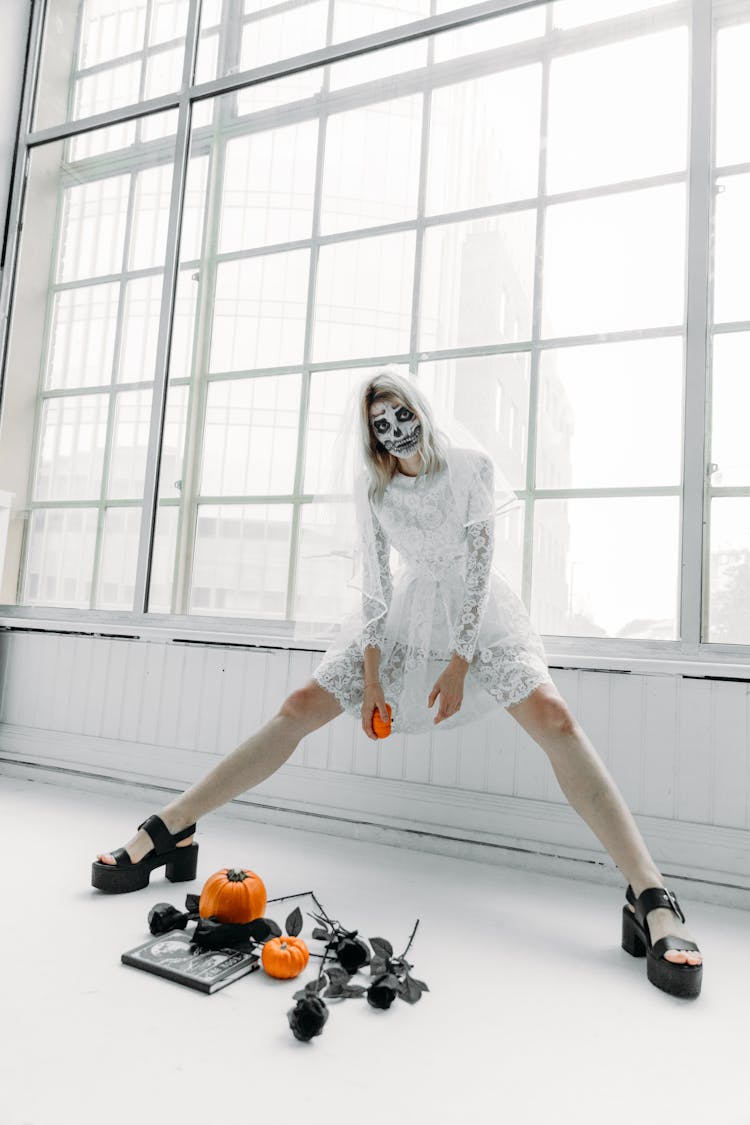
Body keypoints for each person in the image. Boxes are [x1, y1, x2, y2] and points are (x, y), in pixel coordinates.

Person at [92, 368, 703, 998]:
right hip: (405, 618)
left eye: (401, 415)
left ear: (421, 410)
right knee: (300, 704)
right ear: (373, 438)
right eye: (380, 425)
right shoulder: (378, 491)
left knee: (556, 720)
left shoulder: (471, 469)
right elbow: (378, 590)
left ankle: (649, 897)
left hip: (477, 616)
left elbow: (479, 569)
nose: (395, 430)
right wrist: (375, 677)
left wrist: (461, 660)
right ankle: (172, 827)